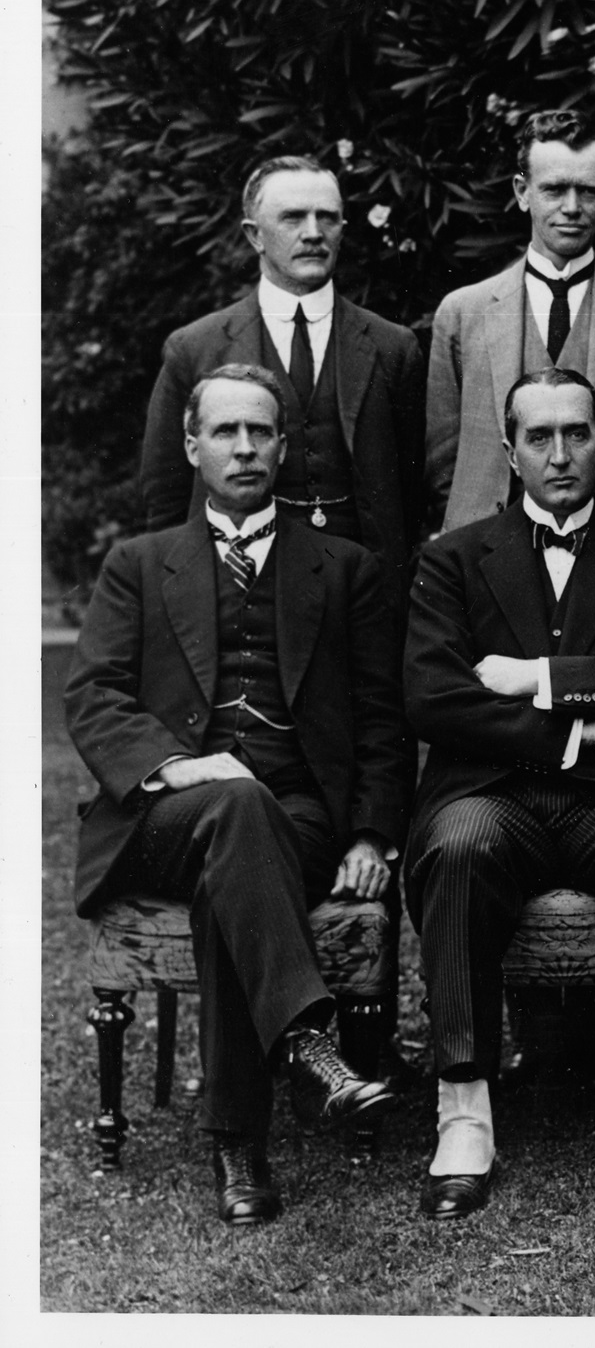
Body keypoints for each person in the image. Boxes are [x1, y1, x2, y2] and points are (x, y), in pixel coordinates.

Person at [67, 364, 407, 1226]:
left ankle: (239, 1145)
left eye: (261, 431)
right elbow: (93, 695)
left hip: (296, 814)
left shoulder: (345, 567)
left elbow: (379, 717)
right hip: (162, 813)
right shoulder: (140, 564)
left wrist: (369, 834)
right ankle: (306, 1044)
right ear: (192, 445)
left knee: (243, 848)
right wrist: (184, 766)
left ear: (285, 447)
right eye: (226, 431)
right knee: (234, 807)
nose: (246, 447)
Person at [404, 367, 595, 1218]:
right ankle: (463, 1114)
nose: (559, 452)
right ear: (509, 451)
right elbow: (434, 695)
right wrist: (577, 728)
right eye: (538, 436)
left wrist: (540, 677)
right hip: (494, 791)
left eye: (576, 432)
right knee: (460, 843)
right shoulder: (453, 558)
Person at [139, 155, 424, 619]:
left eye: (327, 218)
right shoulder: (196, 348)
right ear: (254, 234)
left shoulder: (393, 347)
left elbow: (410, 490)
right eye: (293, 217)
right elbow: (165, 496)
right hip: (235, 589)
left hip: (360, 597)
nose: (313, 232)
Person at [427, 109, 595, 536]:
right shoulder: (461, 313)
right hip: (485, 552)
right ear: (522, 192)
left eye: (587, 191)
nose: (571, 208)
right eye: (554, 190)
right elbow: (442, 460)